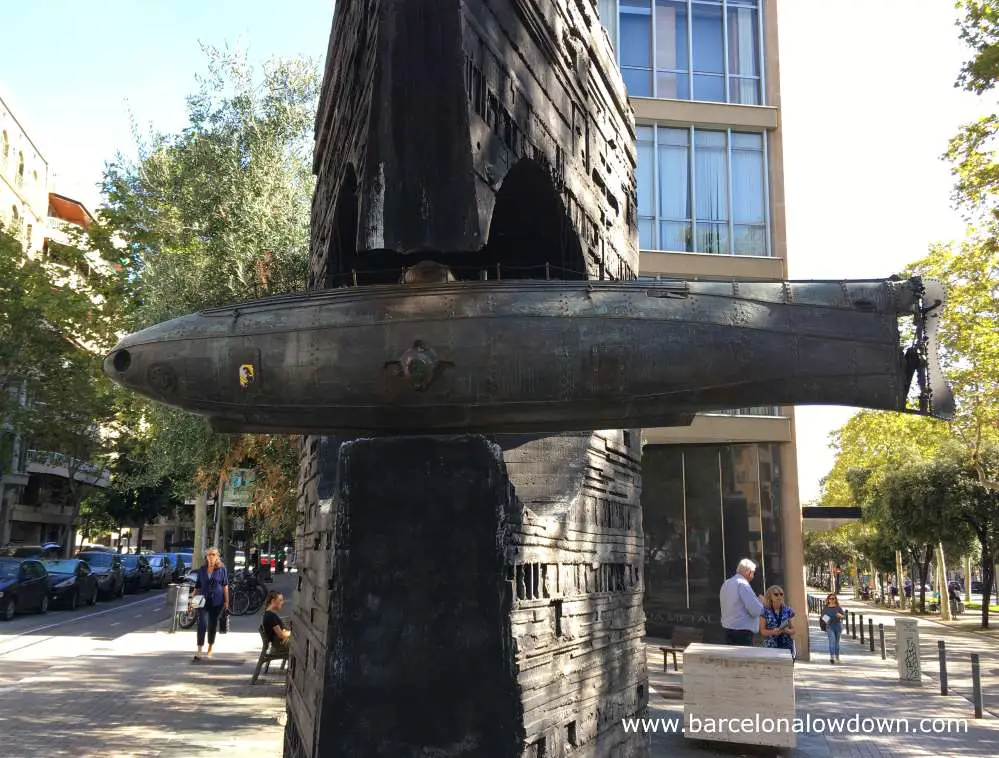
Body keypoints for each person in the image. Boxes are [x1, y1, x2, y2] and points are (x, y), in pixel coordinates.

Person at [192, 547, 229, 661]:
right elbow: (198, 585)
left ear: (217, 556)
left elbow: (225, 586)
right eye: (208, 555)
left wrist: (227, 601)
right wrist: (192, 600)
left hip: (217, 601)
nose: (211, 556)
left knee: (212, 624)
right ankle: (199, 649)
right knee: (201, 624)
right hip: (202, 600)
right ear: (206, 557)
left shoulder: (222, 570)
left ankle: (210, 646)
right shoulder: (202, 569)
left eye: (213, 554)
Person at [719, 558, 765, 646]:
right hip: (742, 633)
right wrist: (761, 603)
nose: (753, 576)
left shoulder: (726, 583)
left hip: (727, 630)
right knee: (743, 659)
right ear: (749, 572)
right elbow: (756, 611)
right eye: (753, 573)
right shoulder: (743, 584)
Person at [760, 585, 796, 659]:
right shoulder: (765, 611)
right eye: (776, 594)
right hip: (771, 647)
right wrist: (773, 632)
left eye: (781, 594)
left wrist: (786, 630)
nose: (779, 596)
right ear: (770, 596)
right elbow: (762, 631)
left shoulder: (788, 611)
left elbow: (793, 630)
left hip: (786, 646)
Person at [821, 593, 846, 664]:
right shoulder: (826, 608)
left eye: (833, 599)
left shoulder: (838, 607)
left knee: (837, 642)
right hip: (830, 626)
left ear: (835, 600)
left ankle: (837, 658)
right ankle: (832, 657)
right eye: (830, 599)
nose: (831, 600)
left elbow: (844, 616)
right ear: (828, 600)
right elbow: (822, 616)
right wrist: (827, 620)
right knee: (832, 641)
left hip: (838, 625)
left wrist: (841, 616)